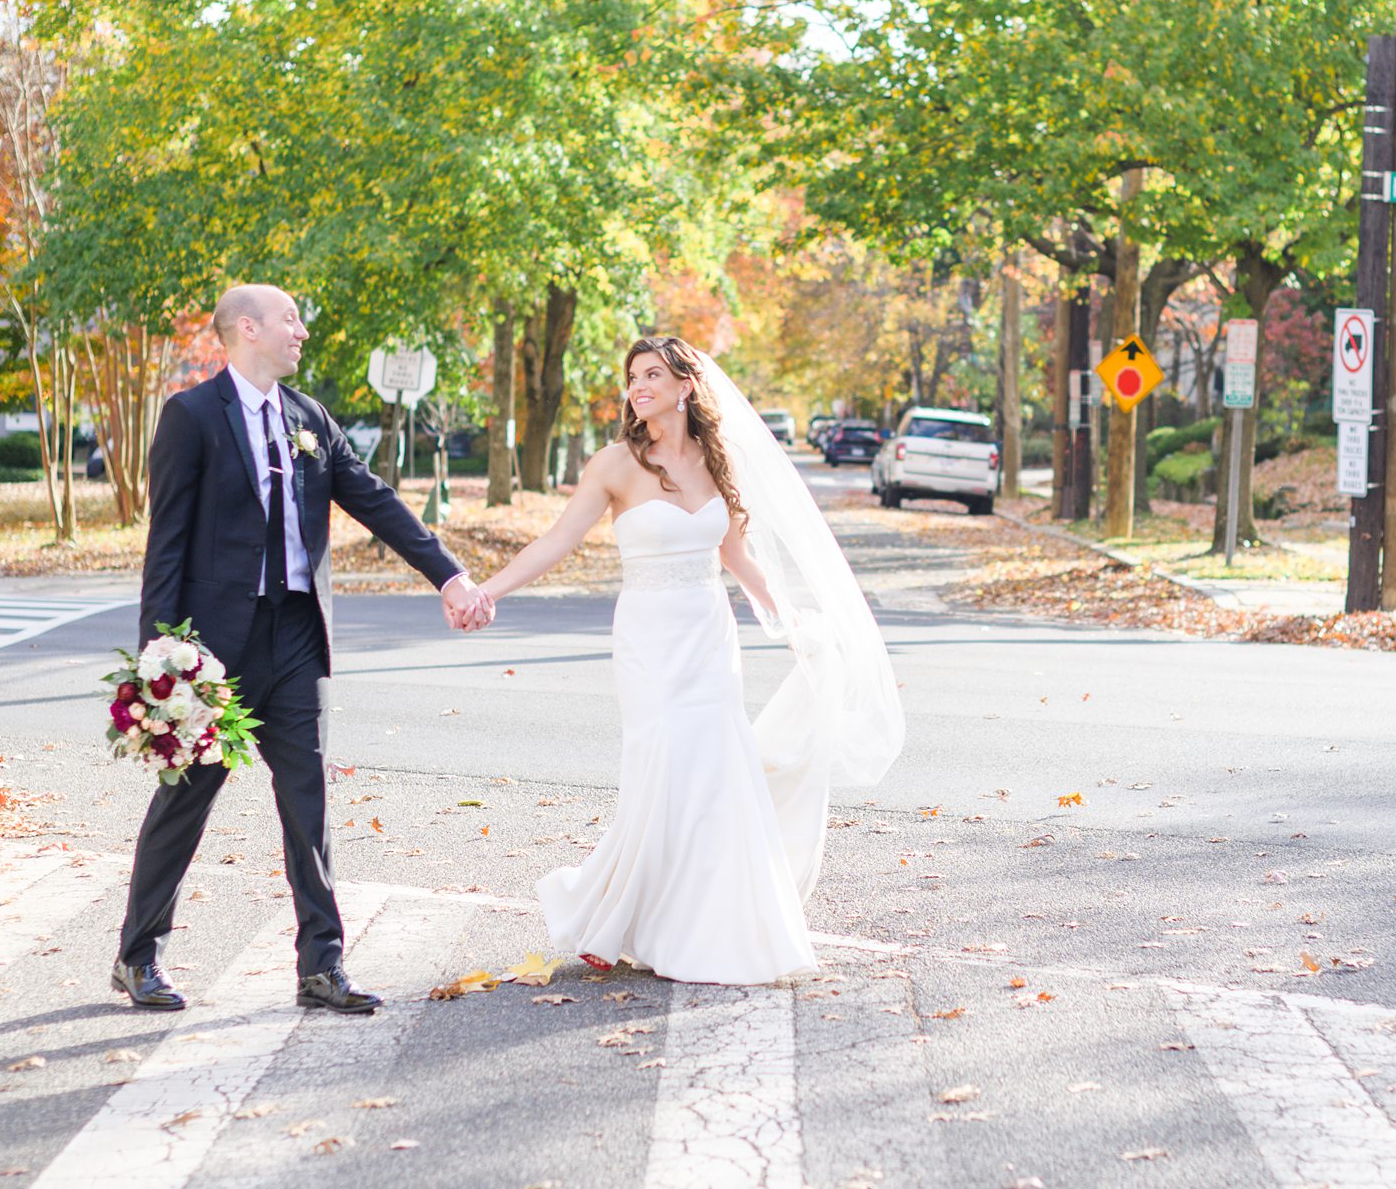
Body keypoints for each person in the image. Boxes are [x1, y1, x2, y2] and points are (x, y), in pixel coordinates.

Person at [465, 335, 903, 985]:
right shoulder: (614, 464)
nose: (637, 386)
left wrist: (791, 623)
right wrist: (486, 590)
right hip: (647, 639)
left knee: (712, 772)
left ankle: (704, 924)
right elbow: (560, 538)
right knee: (662, 764)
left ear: (684, 387)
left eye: (652, 374)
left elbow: (738, 558)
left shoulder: (713, 461)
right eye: (632, 377)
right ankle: (615, 911)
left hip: (708, 635)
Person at [112, 284, 489, 1015]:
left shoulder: (307, 417)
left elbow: (372, 497)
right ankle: (138, 955)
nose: (302, 331)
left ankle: (322, 964)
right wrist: (160, 662)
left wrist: (448, 572)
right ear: (247, 328)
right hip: (213, 651)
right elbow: (167, 549)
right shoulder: (191, 417)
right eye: (290, 318)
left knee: (307, 801)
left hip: (295, 637)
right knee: (185, 801)